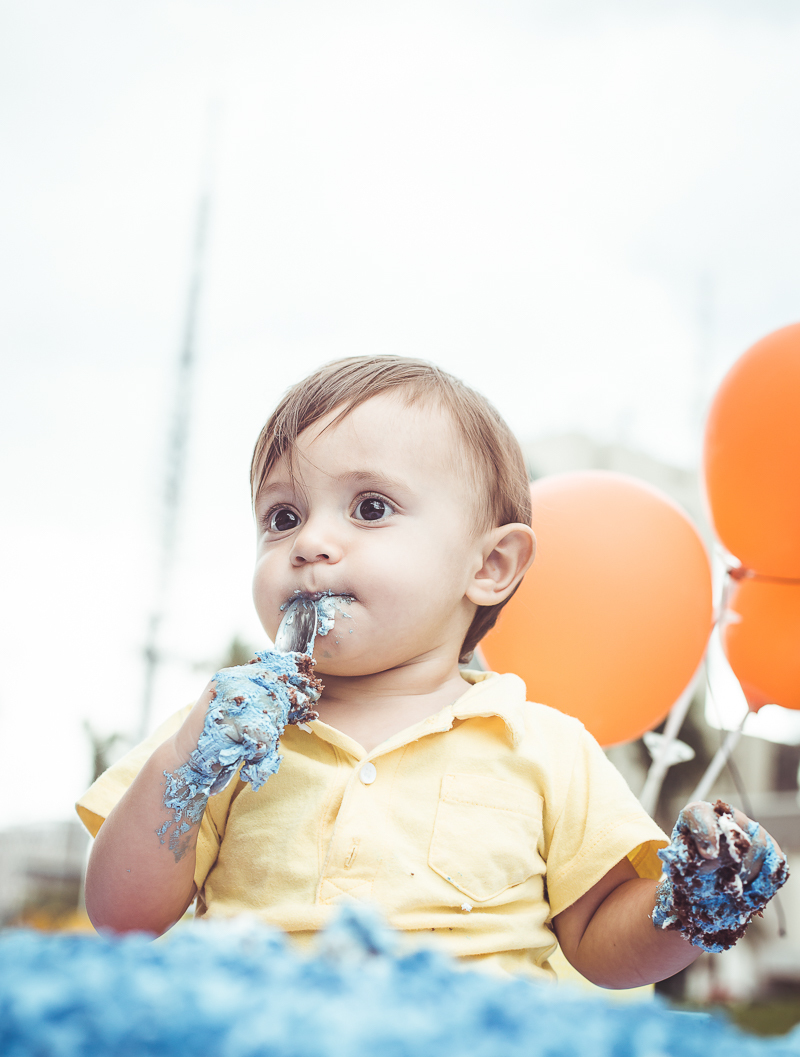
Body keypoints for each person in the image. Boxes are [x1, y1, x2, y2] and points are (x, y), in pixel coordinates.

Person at [77, 355, 785, 988]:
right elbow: (122, 916)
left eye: (371, 508)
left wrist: (690, 903)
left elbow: (603, 944)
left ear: (489, 566)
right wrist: (187, 764)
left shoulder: (540, 744)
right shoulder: (220, 735)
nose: (311, 543)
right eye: (283, 516)